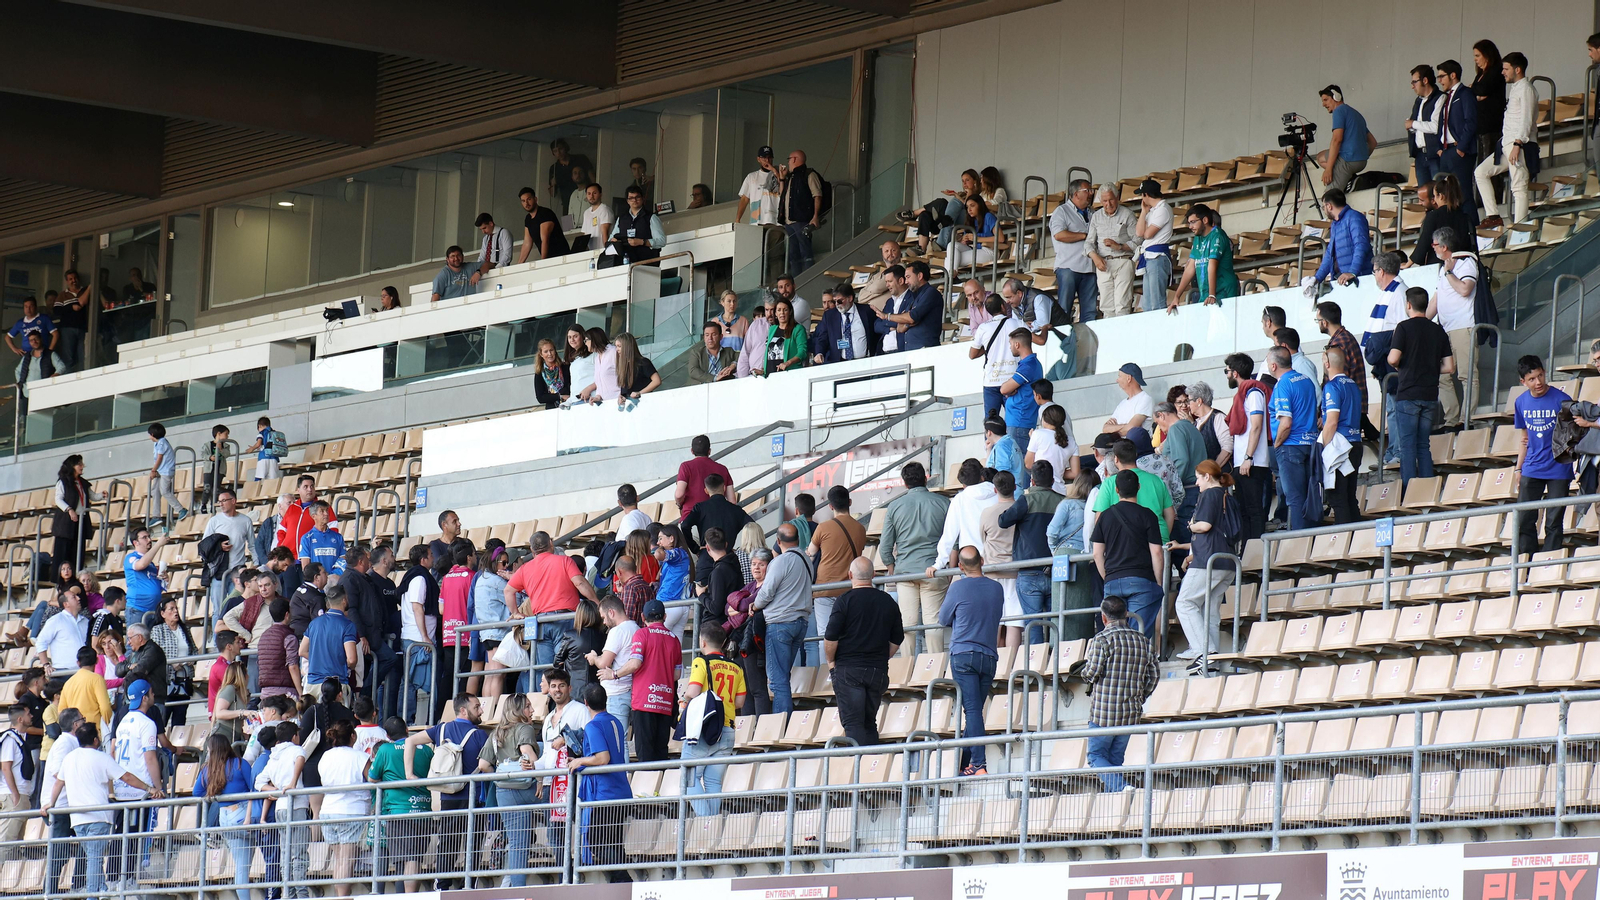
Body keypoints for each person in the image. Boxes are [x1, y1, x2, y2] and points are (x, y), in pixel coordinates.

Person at [45, 722, 161, 900]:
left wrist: (49, 804)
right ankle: (93, 895)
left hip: (77, 818)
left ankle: (102, 889)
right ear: (95, 740)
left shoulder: (69, 758)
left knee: (93, 856)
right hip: (98, 817)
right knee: (95, 858)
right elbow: (127, 777)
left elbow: (59, 783)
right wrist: (149, 788)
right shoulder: (102, 758)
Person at [813, 557, 901, 747]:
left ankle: (859, 771)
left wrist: (830, 662)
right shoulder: (887, 601)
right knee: (869, 722)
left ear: (850, 575)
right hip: (877, 670)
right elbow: (897, 638)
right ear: (874, 575)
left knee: (853, 723)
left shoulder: (844, 601)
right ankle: (872, 769)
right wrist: (883, 656)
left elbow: (830, 638)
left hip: (849, 670)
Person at [404, 692, 486, 884]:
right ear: (463, 710)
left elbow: (410, 740)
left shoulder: (441, 730)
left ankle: (441, 885)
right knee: (473, 843)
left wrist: (410, 774)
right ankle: (469, 886)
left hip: (447, 795)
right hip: (473, 797)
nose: (481, 710)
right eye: (477, 707)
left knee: (448, 842)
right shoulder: (480, 735)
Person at [1081, 596, 1160, 791]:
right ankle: (1116, 803)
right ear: (1126, 614)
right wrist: (1141, 696)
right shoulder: (1143, 641)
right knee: (1115, 761)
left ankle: (1123, 787)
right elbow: (1154, 675)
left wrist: (1083, 672)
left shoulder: (1102, 639)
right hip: (1130, 712)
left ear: (1104, 618)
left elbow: (1092, 672)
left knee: (1095, 757)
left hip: (1103, 712)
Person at [937, 546, 1003, 776]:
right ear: (982, 561)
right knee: (974, 711)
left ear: (961, 567)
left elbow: (942, 619)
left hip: (964, 654)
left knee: (972, 711)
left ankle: (978, 764)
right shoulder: (997, 588)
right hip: (989, 656)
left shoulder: (957, 587)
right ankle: (965, 763)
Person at [504, 532, 598, 683]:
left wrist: (515, 613)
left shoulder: (525, 569)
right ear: (551, 544)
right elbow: (580, 583)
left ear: (532, 550)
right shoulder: (564, 561)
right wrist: (597, 604)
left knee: (545, 671)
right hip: (565, 621)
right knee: (565, 668)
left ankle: (545, 705)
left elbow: (508, 590)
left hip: (540, 623)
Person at [1388, 286, 1454, 486]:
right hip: (1430, 394)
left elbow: (1393, 358)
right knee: (1423, 445)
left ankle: (1410, 492)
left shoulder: (1404, 327)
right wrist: (1429, 368)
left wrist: (1404, 366)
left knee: (1408, 446)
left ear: (1408, 304)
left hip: (1408, 394)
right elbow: (1449, 366)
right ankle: (1427, 490)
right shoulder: (1437, 330)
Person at [567, 682, 632, 882]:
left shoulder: (593, 725)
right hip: (621, 790)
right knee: (612, 842)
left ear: (585, 703)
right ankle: (619, 884)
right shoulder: (615, 721)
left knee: (597, 841)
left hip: (605, 793)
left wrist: (579, 760)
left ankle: (623, 881)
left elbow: (602, 758)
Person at [1512, 355, 1572, 556]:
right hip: (1532, 467)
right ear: (1523, 381)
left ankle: (1549, 564)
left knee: (1554, 521)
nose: (1538, 382)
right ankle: (1526, 565)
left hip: (1558, 467)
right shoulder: (1521, 402)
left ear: (1544, 372)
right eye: (1531, 379)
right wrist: (1519, 468)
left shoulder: (1561, 400)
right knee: (1524, 519)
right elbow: (1524, 438)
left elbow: (1574, 434)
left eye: (1540, 376)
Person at [478, 693, 540, 887]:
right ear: (518, 710)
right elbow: (527, 753)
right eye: (528, 706)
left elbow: (483, 765)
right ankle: (569, 874)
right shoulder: (525, 728)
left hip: (504, 791)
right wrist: (540, 776)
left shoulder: (496, 733)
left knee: (516, 843)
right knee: (559, 820)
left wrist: (502, 771)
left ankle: (516, 888)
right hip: (527, 786)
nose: (532, 710)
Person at [751, 523, 814, 712]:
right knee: (783, 677)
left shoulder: (780, 561)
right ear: (799, 539)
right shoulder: (806, 559)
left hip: (780, 624)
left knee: (778, 681)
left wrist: (754, 605)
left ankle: (780, 726)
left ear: (778, 541)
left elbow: (766, 592)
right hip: (800, 622)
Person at [368, 716, 431, 893]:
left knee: (406, 858)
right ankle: (410, 895)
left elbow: (372, 777)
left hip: (398, 810)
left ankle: (409, 896)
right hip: (424, 808)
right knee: (415, 857)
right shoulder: (425, 749)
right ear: (407, 730)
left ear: (387, 736)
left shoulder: (386, 750)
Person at [1476, 52, 1536, 227]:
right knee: (1481, 172)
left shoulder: (1526, 89)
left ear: (1517, 69)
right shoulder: (1517, 88)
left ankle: (1520, 227)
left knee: (1519, 186)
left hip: (1518, 144)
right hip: (1506, 144)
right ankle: (1493, 216)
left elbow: (1526, 119)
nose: (1503, 72)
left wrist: (1518, 143)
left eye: (1506, 69)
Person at [1426, 226, 1477, 429]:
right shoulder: (1443, 269)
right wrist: (1418, 321)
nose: (1433, 248)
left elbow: (1465, 289)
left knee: (1467, 375)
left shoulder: (1466, 262)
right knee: (1442, 375)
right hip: (1445, 329)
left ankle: (1467, 419)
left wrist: (1449, 273)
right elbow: (1436, 300)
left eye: (1434, 245)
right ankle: (1452, 418)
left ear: (1444, 246)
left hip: (1464, 326)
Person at [194, 733, 255, 900]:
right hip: (243, 813)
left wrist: (214, 794)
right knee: (269, 853)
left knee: (241, 867)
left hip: (224, 818)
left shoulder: (207, 769)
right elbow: (253, 788)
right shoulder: (240, 764)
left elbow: (196, 792)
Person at [1265, 345, 1320, 531]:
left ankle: (1298, 546)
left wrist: (1278, 443)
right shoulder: (1306, 380)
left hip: (1290, 446)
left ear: (1273, 366)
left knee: (1295, 499)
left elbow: (1286, 422)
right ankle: (1312, 542)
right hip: (1310, 444)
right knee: (1310, 496)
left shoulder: (1283, 384)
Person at [1320, 347, 1366, 524]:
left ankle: (1343, 543)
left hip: (1340, 447)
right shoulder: (1354, 385)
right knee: (1349, 497)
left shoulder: (1332, 386)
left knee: (1338, 498)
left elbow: (1331, 422)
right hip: (1355, 443)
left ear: (1327, 363)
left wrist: (1322, 447)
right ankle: (1355, 542)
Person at [1169, 204, 1237, 309]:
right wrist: (1176, 297)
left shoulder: (1217, 235)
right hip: (1206, 294)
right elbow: (1190, 268)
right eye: (1189, 223)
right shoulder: (1198, 238)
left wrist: (1212, 294)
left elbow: (1212, 266)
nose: (1190, 226)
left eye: (1193, 222)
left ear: (1205, 220)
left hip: (1223, 292)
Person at [1086, 182, 1139, 317]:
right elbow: (1088, 243)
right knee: (1106, 306)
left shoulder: (1127, 214)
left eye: (1111, 200)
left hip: (1123, 261)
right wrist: (1095, 257)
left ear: (1117, 198)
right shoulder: (1096, 216)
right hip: (1103, 263)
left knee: (1122, 304)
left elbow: (1138, 240)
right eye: (1104, 201)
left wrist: (1120, 247)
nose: (1108, 204)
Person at [1435, 59, 1480, 217]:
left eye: (1442, 76)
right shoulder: (1448, 97)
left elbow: (1471, 121)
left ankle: (1472, 233)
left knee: (1463, 194)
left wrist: (1461, 147)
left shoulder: (1465, 94)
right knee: (1448, 196)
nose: (1439, 80)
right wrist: (1441, 149)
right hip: (1447, 151)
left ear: (1453, 75)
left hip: (1460, 150)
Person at [999, 328, 1043, 485]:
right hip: (1021, 421)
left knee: (1020, 467)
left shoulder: (1028, 365)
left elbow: (1004, 389)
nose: (1010, 347)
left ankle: (1023, 499)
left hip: (1019, 422)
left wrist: (1009, 389)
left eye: (1010, 344)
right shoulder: (1031, 364)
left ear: (1017, 344)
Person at [1049, 179, 1097, 321]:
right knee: (1064, 308)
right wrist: (1084, 236)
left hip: (1090, 268)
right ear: (1075, 194)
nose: (1091, 193)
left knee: (1090, 311)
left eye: (1091, 190)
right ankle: (1064, 342)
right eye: (1087, 190)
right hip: (1069, 266)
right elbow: (1059, 234)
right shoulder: (1061, 211)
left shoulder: (1092, 212)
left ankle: (1089, 342)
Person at [1154, 401, 1205, 529]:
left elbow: (1181, 460)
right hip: (1196, 487)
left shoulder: (1176, 429)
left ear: (1161, 415)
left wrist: (1171, 487)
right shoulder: (1190, 426)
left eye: (1157, 422)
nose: (1159, 427)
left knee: (1183, 533)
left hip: (1187, 490)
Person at [51, 455, 101, 577]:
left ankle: (75, 576)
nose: (82, 466)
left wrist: (102, 495)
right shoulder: (63, 482)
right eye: (79, 464)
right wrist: (69, 510)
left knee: (77, 551)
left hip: (81, 520)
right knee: (63, 551)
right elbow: (58, 499)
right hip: (66, 523)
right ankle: (60, 578)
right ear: (72, 466)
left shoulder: (82, 483)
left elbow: (92, 496)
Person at [1318, 85, 1376, 189]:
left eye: (1326, 100)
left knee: (1330, 198)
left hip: (1348, 160)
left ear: (1336, 97)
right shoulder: (1356, 114)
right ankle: (1349, 179)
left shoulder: (1339, 111)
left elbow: (1337, 140)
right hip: (1362, 162)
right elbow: (1373, 142)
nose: (1323, 104)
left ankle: (1343, 177)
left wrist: (1329, 169)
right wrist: (1361, 155)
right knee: (1320, 157)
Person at [775, 149, 824, 273]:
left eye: (789, 159)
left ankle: (808, 275)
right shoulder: (790, 177)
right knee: (792, 253)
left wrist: (815, 216)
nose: (789, 163)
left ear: (794, 159)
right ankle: (796, 279)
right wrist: (782, 179)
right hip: (789, 222)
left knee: (805, 251)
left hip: (802, 220)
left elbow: (817, 195)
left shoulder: (809, 174)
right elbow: (782, 195)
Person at [1313, 188, 1372, 286]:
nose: (1324, 210)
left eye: (1323, 207)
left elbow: (1361, 246)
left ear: (1329, 206)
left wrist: (1352, 272)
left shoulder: (1354, 217)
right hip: (1342, 279)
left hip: (1357, 279)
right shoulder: (1335, 224)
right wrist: (1317, 278)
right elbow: (1330, 254)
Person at [1411, 176, 1473, 268]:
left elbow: (1424, 241)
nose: (1434, 200)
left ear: (1441, 196)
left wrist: (1409, 263)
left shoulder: (1433, 216)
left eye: (1435, 196)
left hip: (1438, 264)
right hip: (1463, 264)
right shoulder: (1465, 216)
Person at [810, 283, 878, 364]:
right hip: (840, 362)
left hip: (865, 361)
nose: (837, 304)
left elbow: (876, 333)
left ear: (850, 298)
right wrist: (819, 353)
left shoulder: (866, 311)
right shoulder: (830, 316)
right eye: (835, 301)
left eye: (839, 301)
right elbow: (822, 338)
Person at [34, 589, 86, 677]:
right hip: (63, 672)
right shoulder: (55, 620)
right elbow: (41, 642)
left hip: (84, 671)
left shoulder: (86, 621)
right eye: (74, 597)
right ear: (66, 604)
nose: (78, 598)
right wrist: (46, 664)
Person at [1407, 64, 1445, 185]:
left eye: (1414, 82)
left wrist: (1413, 124)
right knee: (1424, 193)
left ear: (1425, 80)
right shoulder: (1418, 101)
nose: (1412, 86)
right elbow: (1414, 126)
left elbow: (1435, 126)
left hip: (1434, 154)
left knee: (1439, 190)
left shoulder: (1440, 98)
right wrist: (1412, 126)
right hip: (1419, 155)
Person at [515, 187, 571, 264]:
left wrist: (543, 262)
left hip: (561, 257)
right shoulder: (528, 219)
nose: (526, 203)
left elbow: (545, 239)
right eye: (523, 201)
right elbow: (527, 242)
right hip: (549, 260)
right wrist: (519, 264)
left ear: (535, 199)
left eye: (529, 199)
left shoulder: (545, 213)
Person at [736, 146, 781, 225]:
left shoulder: (780, 174)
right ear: (758, 159)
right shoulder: (751, 177)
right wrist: (737, 219)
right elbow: (744, 199)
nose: (767, 161)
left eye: (769, 158)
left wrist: (774, 171)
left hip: (775, 221)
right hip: (757, 221)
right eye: (764, 158)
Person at [575, 182, 615, 252]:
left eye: (594, 193)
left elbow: (605, 232)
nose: (591, 196)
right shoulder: (586, 213)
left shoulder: (604, 210)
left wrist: (607, 252)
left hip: (602, 251)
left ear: (600, 194)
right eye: (589, 194)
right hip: (591, 252)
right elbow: (585, 234)